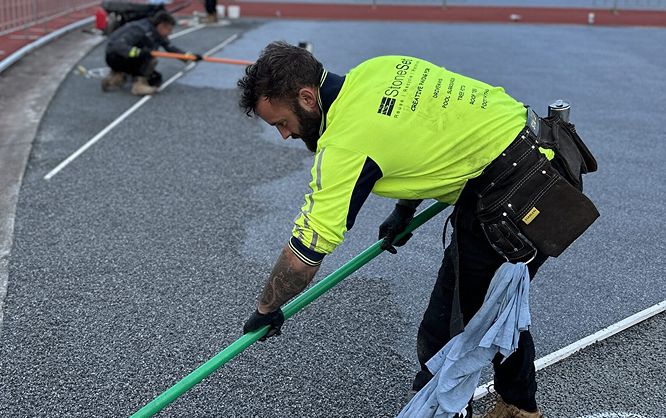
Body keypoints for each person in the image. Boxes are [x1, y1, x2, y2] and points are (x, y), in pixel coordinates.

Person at [237, 42, 598, 418]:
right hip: (540, 152)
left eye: (281, 122)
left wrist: (267, 308)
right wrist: (403, 209)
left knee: (448, 335)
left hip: (515, 195)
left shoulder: (344, 144)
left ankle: (489, 408)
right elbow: (430, 128)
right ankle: (518, 406)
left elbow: (306, 250)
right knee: (485, 307)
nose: (283, 134)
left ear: (307, 98)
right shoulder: (376, 70)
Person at [102, 11, 201, 96]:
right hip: (115, 58)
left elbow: (171, 48)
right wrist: (138, 52)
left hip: (125, 59)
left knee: (155, 79)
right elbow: (116, 45)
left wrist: (191, 57)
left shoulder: (158, 34)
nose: (170, 33)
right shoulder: (140, 29)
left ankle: (116, 78)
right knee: (150, 58)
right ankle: (138, 85)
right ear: (161, 26)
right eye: (169, 29)